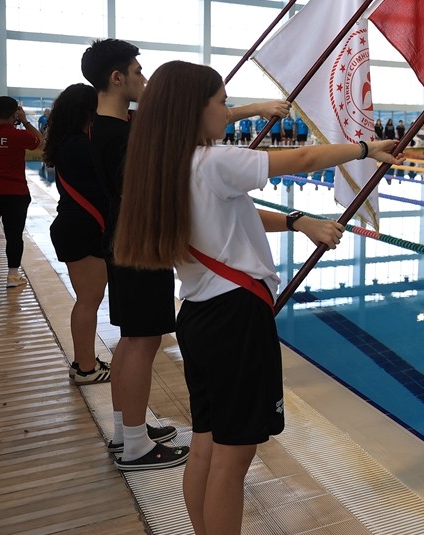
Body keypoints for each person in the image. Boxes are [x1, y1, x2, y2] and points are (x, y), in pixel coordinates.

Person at [114, 61, 408, 535]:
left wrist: (298, 221)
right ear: (195, 108)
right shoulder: (212, 162)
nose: (227, 111)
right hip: (236, 321)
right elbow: (306, 156)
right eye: (221, 102)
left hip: (200, 314)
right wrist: (368, 149)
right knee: (233, 456)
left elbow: (237, 215)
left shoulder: (163, 167)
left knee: (206, 444)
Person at [82, 39, 290, 472]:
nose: (144, 79)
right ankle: (135, 443)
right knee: (142, 341)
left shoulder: (108, 129)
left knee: (134, 341)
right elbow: (185, 127)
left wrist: (253, 110)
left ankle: (128, 431)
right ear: (117, 78)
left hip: (133, 247)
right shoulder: (123, 136)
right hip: (148, 251)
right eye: (138, 72)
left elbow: (188, 122)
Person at [42, 84, 111, 384]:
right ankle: (85, 368)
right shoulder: (81, 146)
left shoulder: (69, 143)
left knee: (87, 299)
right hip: (82, 228)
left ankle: (83, 362)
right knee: (88, 299)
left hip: (74, 226)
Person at [0, 96, 43, 289]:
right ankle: (13, 276)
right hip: (15, 194)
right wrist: (25, 121)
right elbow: (41, 141)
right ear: (15, 113)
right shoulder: (20, 136)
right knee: (14, 236)